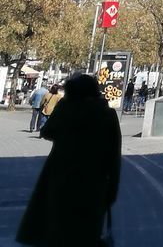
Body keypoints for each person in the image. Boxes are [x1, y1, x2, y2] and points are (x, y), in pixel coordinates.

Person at [17, 74, 121, 247]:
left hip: (61, 178)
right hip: (93, 183)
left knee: (60, 231)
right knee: (86, 233)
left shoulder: (66, 109)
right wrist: (112, 190)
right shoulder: (106, 114)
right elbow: (114, 155)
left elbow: (47, 132)